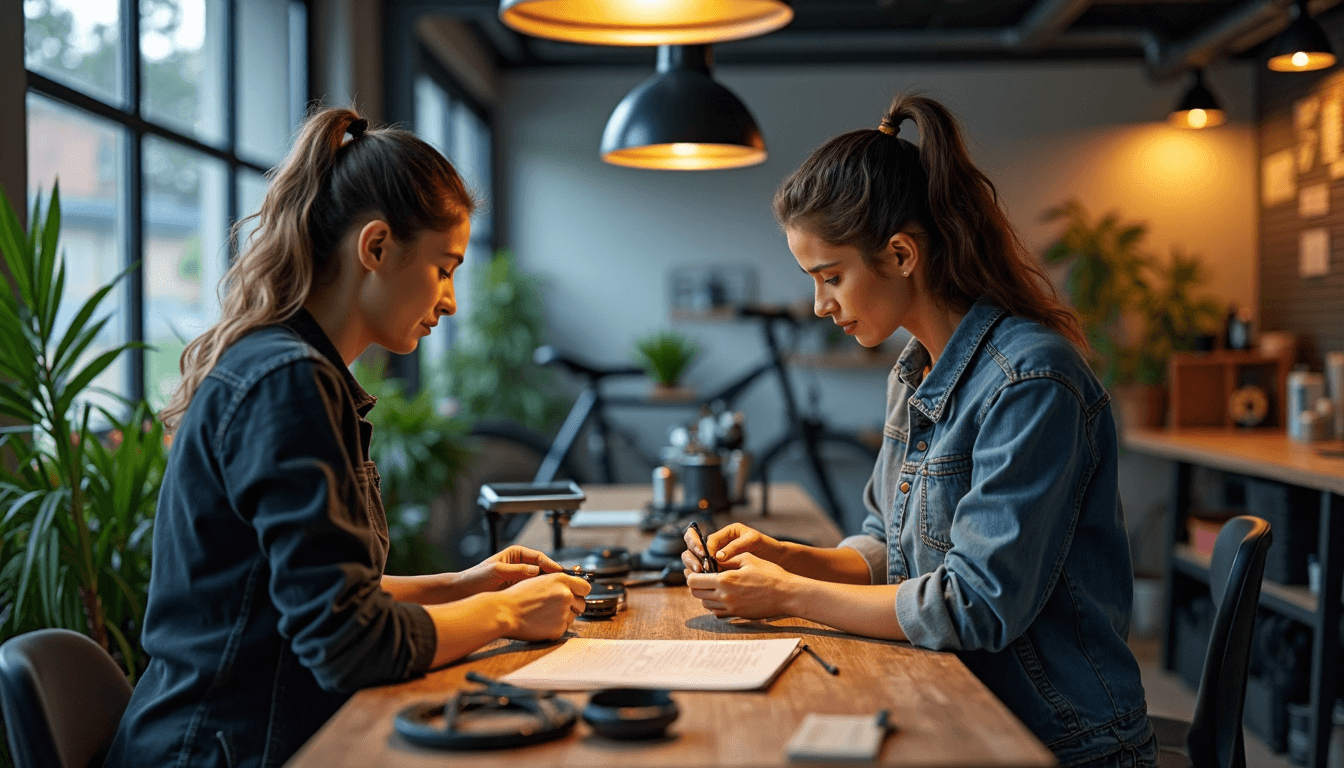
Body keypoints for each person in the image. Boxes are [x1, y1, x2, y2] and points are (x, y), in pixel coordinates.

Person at [106, 107, 591, 768]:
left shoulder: (289, 368)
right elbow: (349, 644)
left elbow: (311, 598)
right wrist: (505, 616)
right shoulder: (289, 382)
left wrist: (464, 584)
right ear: (376, 247)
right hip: (220, 750)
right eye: (445, 267)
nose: (450, 301)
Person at [682, 93, 1156, 768]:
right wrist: (787, 557)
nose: (821, 306)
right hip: (965, 701)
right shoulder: (914, 372)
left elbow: (974, 606)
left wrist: (789, 596)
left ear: (902, 254)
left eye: (831, 277)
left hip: (1061, 739)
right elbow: (888, 547)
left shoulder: (1031, 383)